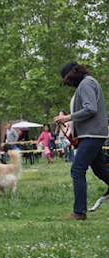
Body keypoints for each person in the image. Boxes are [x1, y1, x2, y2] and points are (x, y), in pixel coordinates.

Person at [54, 61, 109, 221]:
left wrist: (68, 117)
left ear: (72, 74)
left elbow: (90, 108)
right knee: (100, 170)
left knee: (77, 169)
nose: (68, 84)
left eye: (66, 80)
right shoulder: (88, 83)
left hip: (92, 134)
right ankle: (79, 212)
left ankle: (79, 213)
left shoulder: (86, 83)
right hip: (93, 134)